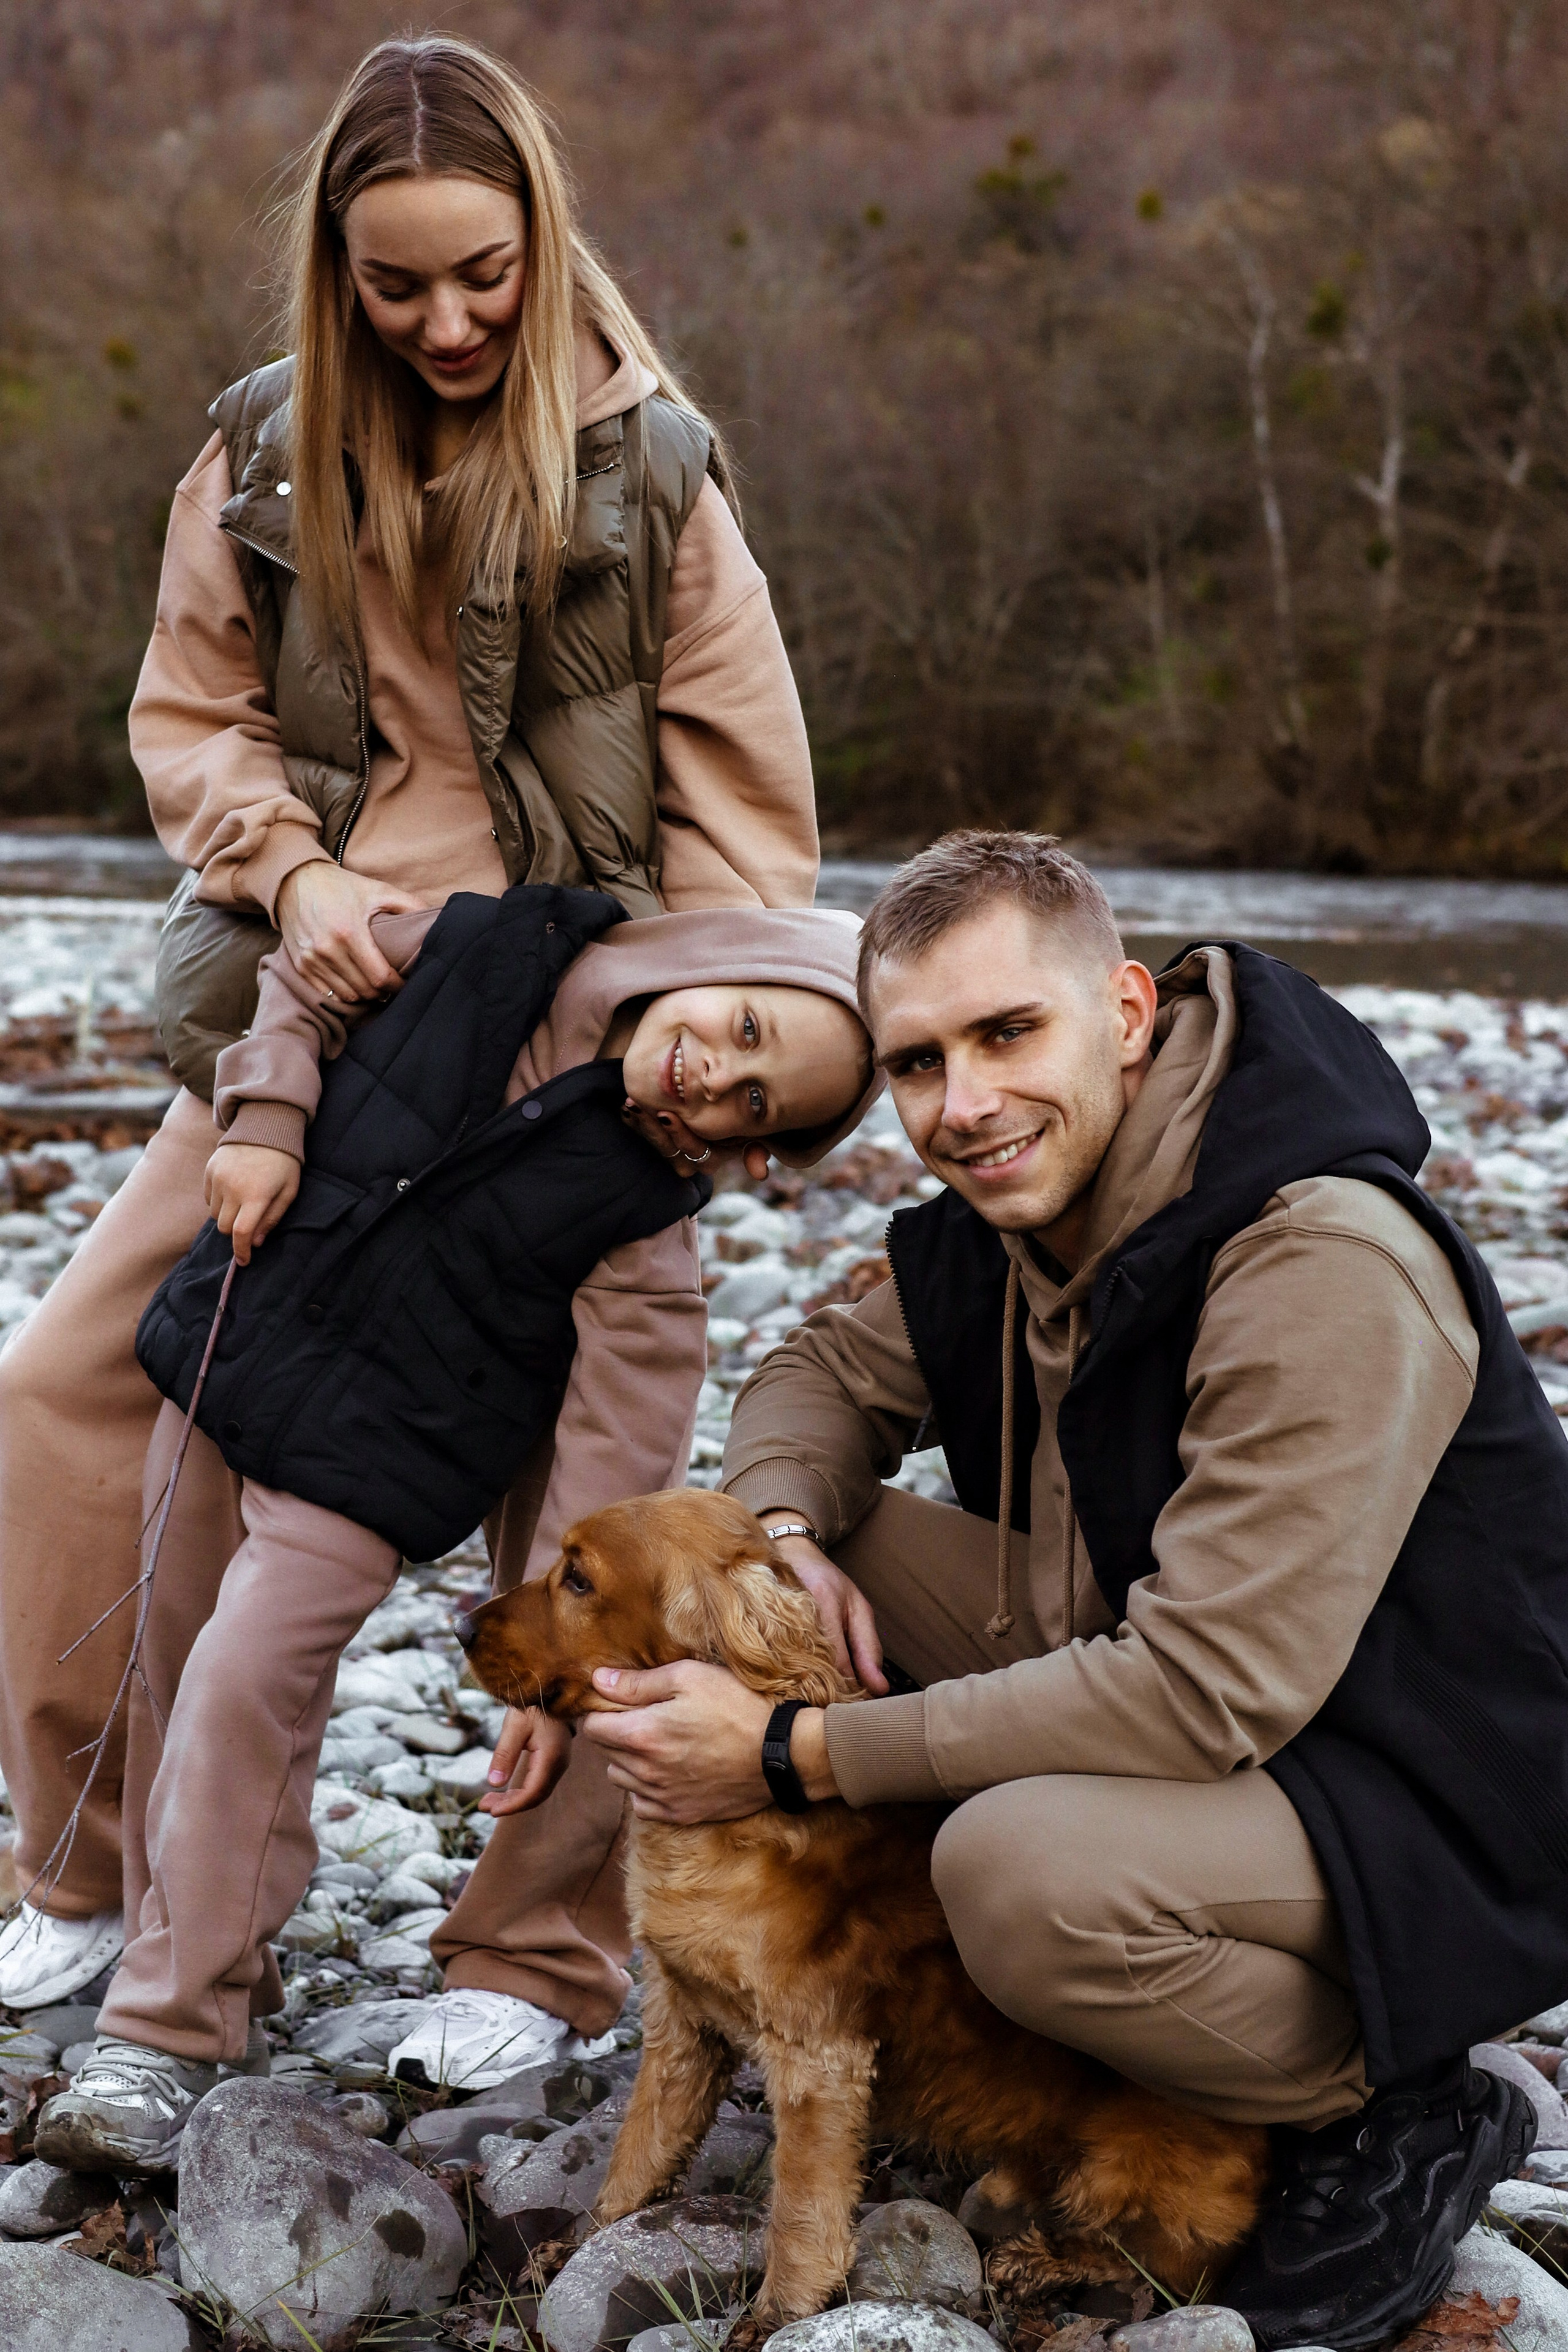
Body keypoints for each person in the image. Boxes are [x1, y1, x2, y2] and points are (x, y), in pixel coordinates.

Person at [0, 27, 818, 2082]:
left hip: (573, 1029)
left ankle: (529, 1959)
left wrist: (662, 1054)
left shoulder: (661, 477)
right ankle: (94, 1882)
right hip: (318, 1012)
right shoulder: (259, 461)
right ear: (336, 276)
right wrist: (288, 887)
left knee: (593, 1504)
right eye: (398, 283)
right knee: (75, 1400)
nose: (449, 320)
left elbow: (749, 821)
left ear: (544, 243)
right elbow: (192, 725)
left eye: (487, 272)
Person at [548, 829, 1566, 2352]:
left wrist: (787, 1756)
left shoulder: (1318, 1255)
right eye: (914, 1063)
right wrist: (784, 1535)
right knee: (792, 1575)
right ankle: (989, 1986)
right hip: (1201, 1692)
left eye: (1006, 1032)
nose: (962, 1107)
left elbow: (1205, 1687)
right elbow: (814, 1369)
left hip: (1422, 1797)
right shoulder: (1018, 1214)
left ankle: (1390, 2095)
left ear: (1130, 1013)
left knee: (1016, 1876)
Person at [31, 884, 875, 2173]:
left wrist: (559, 1665)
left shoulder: (638, 1210)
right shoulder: (493, 943)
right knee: (168, 1670)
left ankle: (169, 2029)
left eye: (754, 1105)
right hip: (222, 1354)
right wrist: (262, 1122)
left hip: (373, 1463)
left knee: (247, 1681)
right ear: (712, 961)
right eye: (744, 1027)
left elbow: (620, 1441)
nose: (716, 1077)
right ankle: (194, 1954)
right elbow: (305, 985)